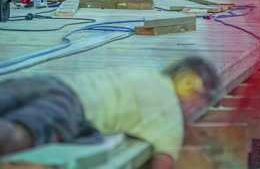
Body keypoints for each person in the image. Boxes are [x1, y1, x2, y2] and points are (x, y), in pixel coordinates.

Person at [0, 56, 219, 169]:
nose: (196, 109)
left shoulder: (146, 74)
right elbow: (163, 162)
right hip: (73, 107)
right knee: (19, 134)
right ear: (192, 89)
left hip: (50, 82)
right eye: (199, 102)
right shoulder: (170, 116)